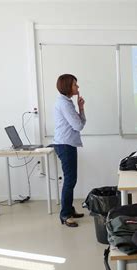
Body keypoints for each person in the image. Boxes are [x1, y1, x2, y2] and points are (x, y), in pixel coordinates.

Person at [53, 74, 86, 227]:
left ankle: (69, 210)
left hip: (67, 144)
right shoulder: (64, 104)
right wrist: (80, 112)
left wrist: (81, 109)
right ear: (67, 86)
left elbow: (80, 123)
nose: (77, 87)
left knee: (71, 180)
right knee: (69, 181)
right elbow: (79, 126)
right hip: (65, 145)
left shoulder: (67, 102)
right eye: (75, 85)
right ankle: (65, 215)